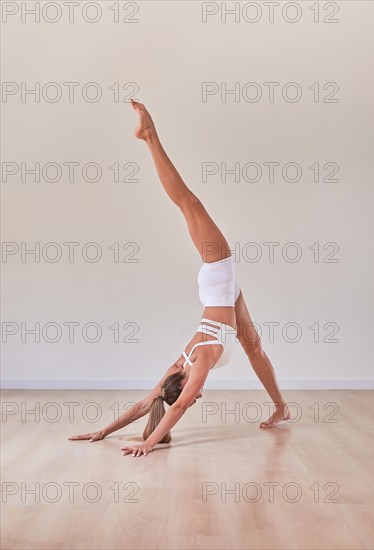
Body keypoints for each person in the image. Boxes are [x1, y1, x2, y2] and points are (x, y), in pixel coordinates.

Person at [68, 100, 290, 457]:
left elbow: (178, 406)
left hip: (218, 277)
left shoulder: (197, 363)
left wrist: (149, 443)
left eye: (193, 391)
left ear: (184, 383)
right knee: (254, 348)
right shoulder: (176, 367)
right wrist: (104, 430)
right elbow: (149, 405)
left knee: (188, 203)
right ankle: (281, 406)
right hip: (222, 295)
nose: (198, 394)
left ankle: (149, 136)